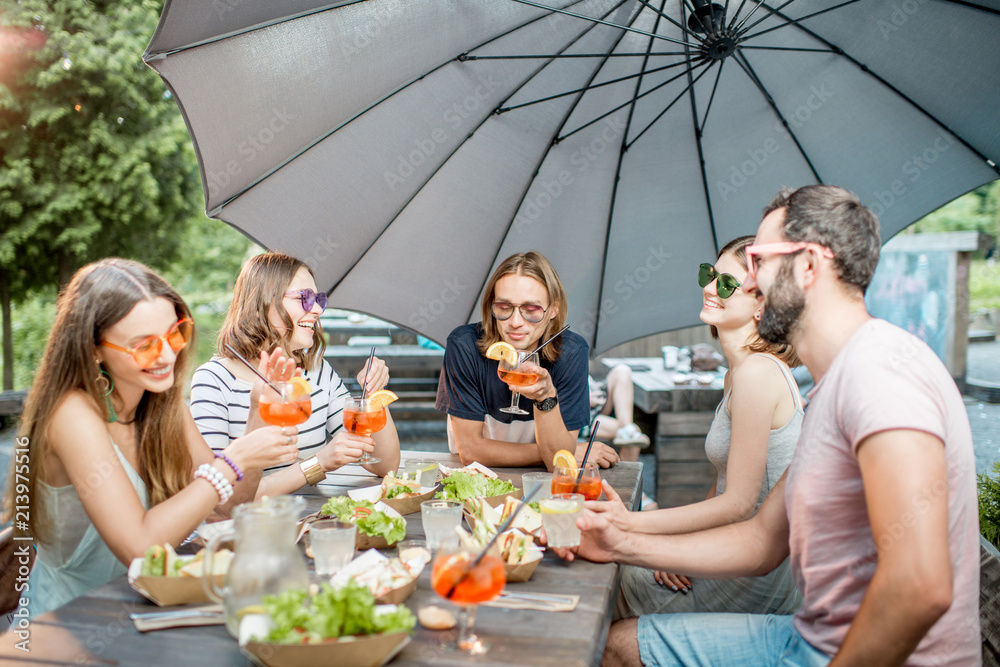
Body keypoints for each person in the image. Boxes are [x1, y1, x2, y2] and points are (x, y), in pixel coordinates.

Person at [557, 185, 980, 667]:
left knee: (614, 641)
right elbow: (760, 541)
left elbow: (919, 586)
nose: (746, 280)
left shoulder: (879, 372)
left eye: (757, 259)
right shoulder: (829, 390)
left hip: (852, 652)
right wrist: (621, 539)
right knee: (618, 642)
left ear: (808, 265)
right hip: (811, 634)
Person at [4, 259, 298, 617]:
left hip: (147, 611)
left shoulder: (162, 401)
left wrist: (257, 416)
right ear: (93, 349)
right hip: (71, 625)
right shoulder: (71, 414)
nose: (167, 355)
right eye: (144, 346)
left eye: (175, 334)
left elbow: (227, 506)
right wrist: (232, 461)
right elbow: (140, 549)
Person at [610, 236, 804, 620]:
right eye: (710, 274)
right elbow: (722, 484)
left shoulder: (758, 373)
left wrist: (631, 524)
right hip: (731, 554)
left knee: (609, 579)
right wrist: (678, 544)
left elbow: (739, 504)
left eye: (728, 284)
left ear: (761, 305)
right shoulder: (738, 373)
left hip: (750, 583)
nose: (709, 288)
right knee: (614, 567)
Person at [191, 253, 400, 502]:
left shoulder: (318, 371)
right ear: (260, 306)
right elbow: (216, 497)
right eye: (305, 298)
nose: (318, 309)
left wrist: (373, 395)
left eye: (319, 299)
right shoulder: (214, 381)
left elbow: (385, 466)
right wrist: (317, 464)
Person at [436, 251, 618, 469]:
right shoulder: (464, 345)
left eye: (531, 309)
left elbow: (555, 466)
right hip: (476, 481)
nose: (515, 322)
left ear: (553, 309)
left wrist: (545, 397)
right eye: (504, 307)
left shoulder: (571, 352)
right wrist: (569, 452)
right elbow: (471, 451)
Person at [581, 365, 651, 459]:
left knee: (622, 371)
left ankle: (626, 428)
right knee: (635, 433)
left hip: (595, 395)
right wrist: (583, 400)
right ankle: (626, 473)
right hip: (581, 414)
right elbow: (554, 401)